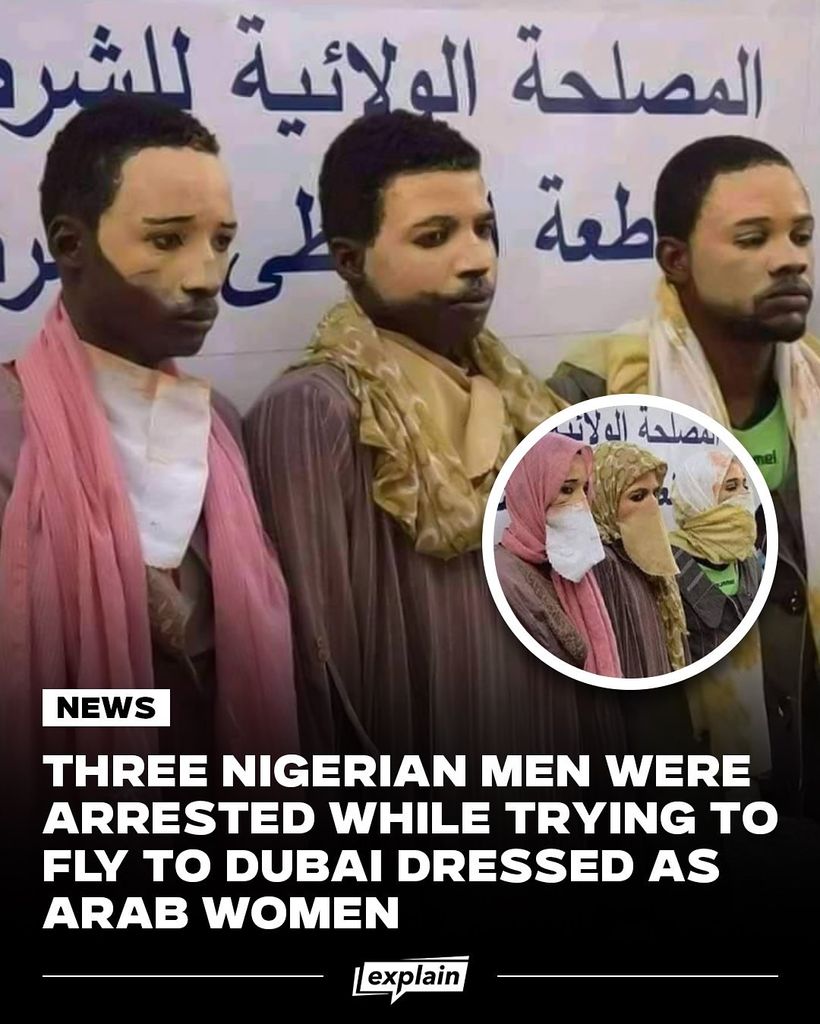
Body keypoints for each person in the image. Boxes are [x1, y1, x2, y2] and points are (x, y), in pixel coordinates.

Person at [244, 109, 626, 757]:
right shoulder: (319, 412)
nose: (476, 260)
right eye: (434, 237)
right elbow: (318, 672)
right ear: (350, 260)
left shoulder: (525, 401)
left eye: (484, 229)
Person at [0, 97, 298, 772]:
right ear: (70, 245)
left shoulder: (219, 428)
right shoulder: (9, 431)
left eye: (220, 242)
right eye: (166, 241)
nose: (206, 277)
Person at [548, 136, 820, 815]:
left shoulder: (815, 384)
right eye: (753, 239)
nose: (791, 258)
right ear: (677, 260)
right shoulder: (593, 399)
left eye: (801, 235)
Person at [669, 449, 769, 769]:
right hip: (701, 739)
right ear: (698, 495)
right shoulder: (669, 566)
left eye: (744, 485)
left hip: (752, 719)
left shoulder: (747, 558)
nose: (742, 495)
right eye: (730, 487)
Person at [495, 433, 622, 675]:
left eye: (585, 488)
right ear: (531, 493)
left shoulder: (577, 564)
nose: (582, 502)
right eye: (566, 489)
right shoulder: (504, 576)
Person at [589, 442, 689, 677]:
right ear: (604, 500)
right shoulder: (604, 565)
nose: (653, 504)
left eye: (655, 493)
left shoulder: (644, 558)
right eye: (638, 496)